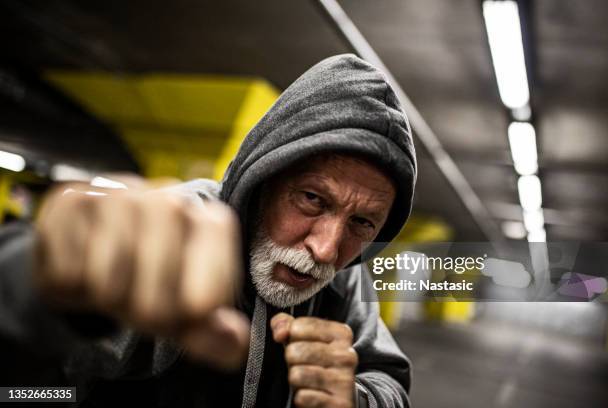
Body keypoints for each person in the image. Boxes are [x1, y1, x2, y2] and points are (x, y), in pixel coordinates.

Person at [0, 54, 417, 407]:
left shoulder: (343, 275)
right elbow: (26, 392)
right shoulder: (181, 236)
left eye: (362, 223)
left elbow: (389, 378)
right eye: (311, 198)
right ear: (264, 179)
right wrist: (34, 296)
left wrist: (357, 398)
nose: (327, 249)